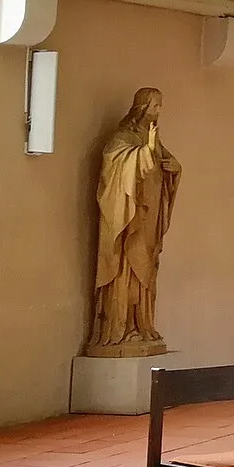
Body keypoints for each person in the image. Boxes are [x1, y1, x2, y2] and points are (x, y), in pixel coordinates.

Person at [88, 88, 180, 356]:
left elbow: (164, 163)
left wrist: (174, 167)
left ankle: (142, 324)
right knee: (126, 268)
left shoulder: (152, 138)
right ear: (141, 108)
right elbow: (116, 171)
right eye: (155, 106)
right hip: (128, 220)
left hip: (148, 217)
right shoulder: (121, 138)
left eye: (161, 106)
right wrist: (146, 152)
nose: (158, 112)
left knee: (147, 269)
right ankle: (119, 327)